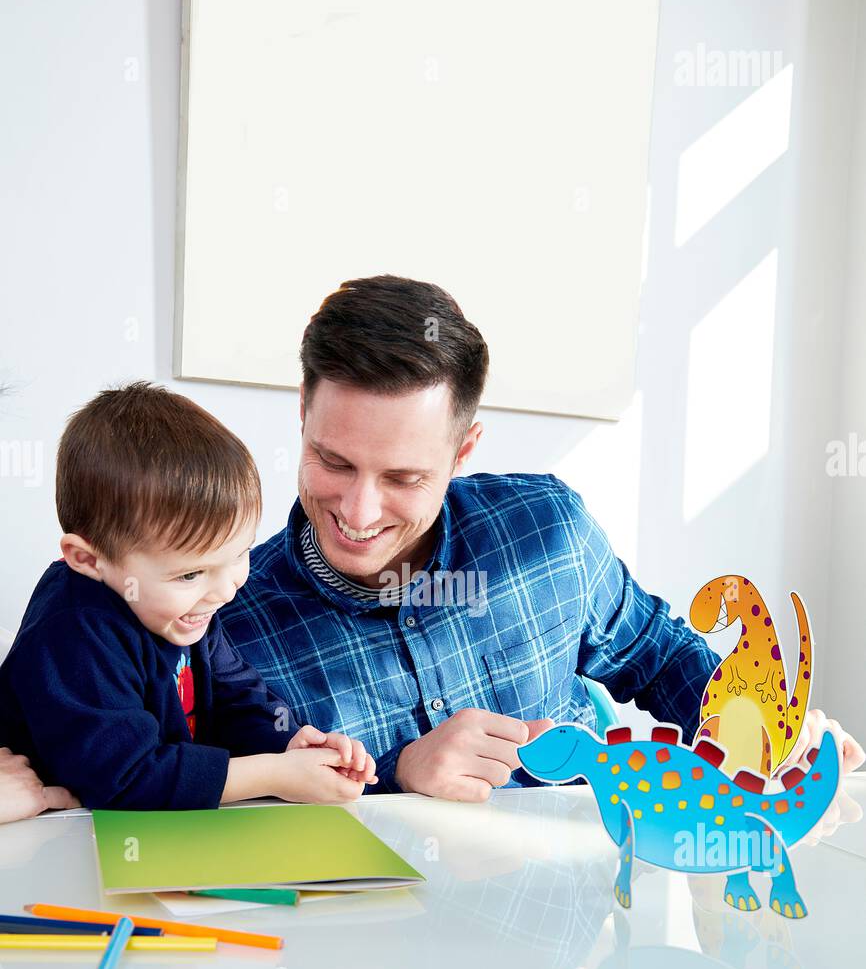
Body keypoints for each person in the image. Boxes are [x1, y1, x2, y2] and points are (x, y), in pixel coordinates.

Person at [222, 273, 865, 801]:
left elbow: (662, 656)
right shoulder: (223, 623)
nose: (359, 512)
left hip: (583, 930)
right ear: (303, 411)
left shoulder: (545, 533)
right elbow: (233, 816)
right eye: (334, 463)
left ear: (463, 449)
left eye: (404, 477)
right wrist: (397, 772)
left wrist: (765, 735)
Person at [0, 384, 375, 810]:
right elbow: (125, 778)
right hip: (70, 837)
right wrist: (272, 774)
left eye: (240, 554)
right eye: (190, 573)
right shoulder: (73, 631)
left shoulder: (188, 606)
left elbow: (238, 696)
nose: (225, 589)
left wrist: (290, 744)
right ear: (89, 559)